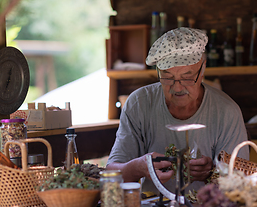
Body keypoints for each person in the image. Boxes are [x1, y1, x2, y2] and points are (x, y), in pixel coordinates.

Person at [106, 27, 249, 194]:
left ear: (202, 70)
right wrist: (138, 167)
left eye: (187, 77)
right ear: (158, 72)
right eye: (168, 77)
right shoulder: (139, 104)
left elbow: (240, 183)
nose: (178, 87)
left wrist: (211, 174)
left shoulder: (226, 111)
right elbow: (111, 174)